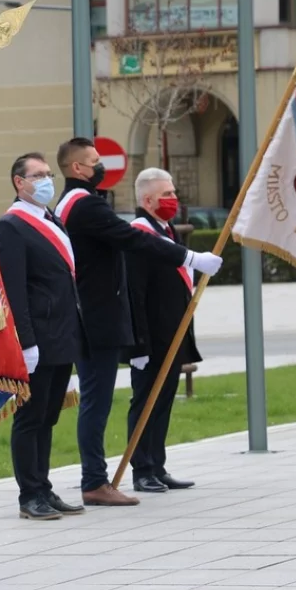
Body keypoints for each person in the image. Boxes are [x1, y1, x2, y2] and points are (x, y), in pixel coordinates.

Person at [52, 137, 222, 507]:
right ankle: (95, 481)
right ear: (77, 168)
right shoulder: (85, 207)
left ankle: (120, 473)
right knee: (96, 402)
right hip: (96, 317)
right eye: (94, 160)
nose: (101, 165)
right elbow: (131, 239)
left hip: (91, 314)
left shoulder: (69, 204)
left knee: (99, 401)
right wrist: (191, 257)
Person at [0, 152, 87, 521]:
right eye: (38, 175)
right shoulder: (11, 227)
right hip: (37, 339)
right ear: (19, 182)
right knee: (30, 418)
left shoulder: (52, 219)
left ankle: (44, 488)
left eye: (48, 174)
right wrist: (26, 342)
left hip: (63, 334)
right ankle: (28, 495)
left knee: (49, 417)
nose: (46, 180)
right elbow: (13, 292)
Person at [124, 168, 201, 493]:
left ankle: (157, 464)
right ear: (147, 199)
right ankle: (141, 468)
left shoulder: (167, 229)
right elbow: (135, 293)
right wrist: (138, 345)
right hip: (151, 337)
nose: (173, 199)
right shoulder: (140, 234)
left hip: (173, 332)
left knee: (165, 399)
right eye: (166, 195)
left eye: (173, 193)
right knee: (146, 402)